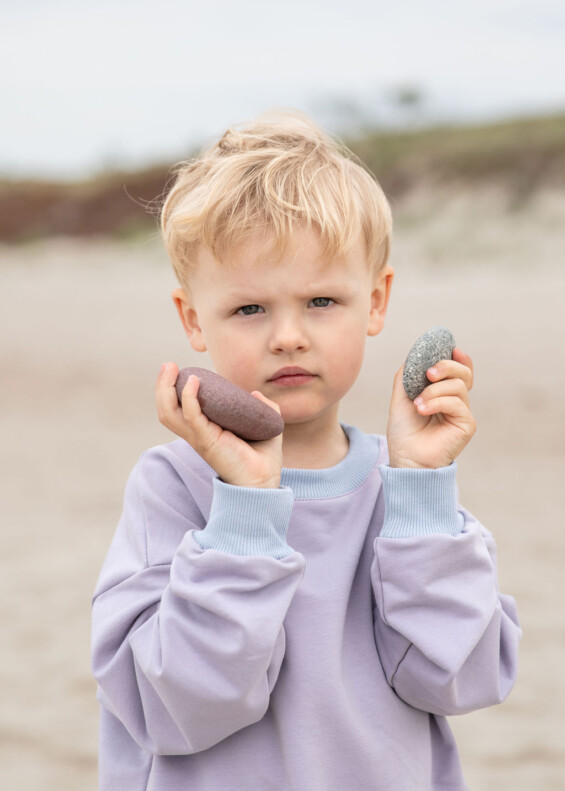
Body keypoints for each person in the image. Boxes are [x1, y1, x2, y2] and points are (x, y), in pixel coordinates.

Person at [91, 111, 521, 791]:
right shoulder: (172, 486)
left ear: (375, 300)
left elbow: (459, 676)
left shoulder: (403, 486)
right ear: (192, 319)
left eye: (321, 300)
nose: (288, 335)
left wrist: (420, 490)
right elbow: (175, 707)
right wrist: (242, 513)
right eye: (249, 309)